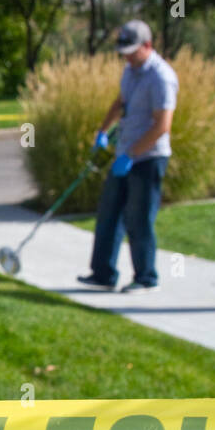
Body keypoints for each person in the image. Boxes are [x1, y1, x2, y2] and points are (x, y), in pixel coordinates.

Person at [78, 19, 178, 294]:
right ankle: (102, 273)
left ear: (148, 46)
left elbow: (162, 125)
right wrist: (102, 130)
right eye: (124, 51)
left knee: (139, 218)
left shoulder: (161, 77)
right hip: (124, 153)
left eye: (132, 51)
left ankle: (146, 277)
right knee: (108, 213)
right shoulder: (130, 71)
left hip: (148, 158)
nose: (127, 56)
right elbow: (121, 102)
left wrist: (132, 154)